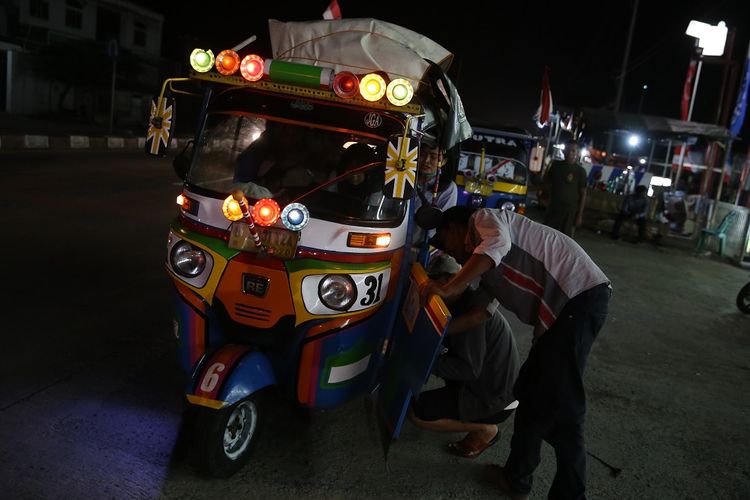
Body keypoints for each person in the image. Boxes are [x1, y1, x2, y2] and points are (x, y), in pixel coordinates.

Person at [419, 205, 611, 500]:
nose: (453, 256)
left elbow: (497, 245)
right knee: (529, 391)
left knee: (566, 409)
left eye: (446, 243)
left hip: (579, 299)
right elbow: (480, 314)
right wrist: (430, 335)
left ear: (455, 229)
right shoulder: (485, 268)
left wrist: (448, 287)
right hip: (560, 314)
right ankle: (516, 478)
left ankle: (570, 496)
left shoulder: (484, 219)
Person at [409, 287, 520, 459]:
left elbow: (468, 370)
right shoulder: (467, 301)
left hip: (494, 398)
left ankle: (485, 429)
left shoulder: (469, 317)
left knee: (417, 414)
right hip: (495, 386)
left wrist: (423, 361)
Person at [542, 139, 588, 237]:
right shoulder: (555, 165)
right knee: (547, 235)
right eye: (567, 150)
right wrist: (545, 197)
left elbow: (583, 194)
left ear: (577, 153)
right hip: (553, 208)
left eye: (573, 151)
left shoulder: (580, 171)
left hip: (569, 212)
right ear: (563, 151)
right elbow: (546, 183)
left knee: (565, 239)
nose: (570, 153)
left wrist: (579, 215)